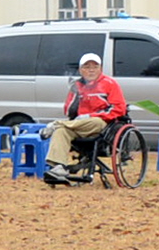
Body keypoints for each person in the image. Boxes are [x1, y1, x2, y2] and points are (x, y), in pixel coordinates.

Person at [43, 52, 127, 184]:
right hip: (79, 125)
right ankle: (59, 167)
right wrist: (74, 94)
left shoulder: (110, 84)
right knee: (62, 131)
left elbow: (119, 109)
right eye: (87, 67)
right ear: (81, 70)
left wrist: (91, 115)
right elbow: (68, 111)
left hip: (103, 124)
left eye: (95, 66)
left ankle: (55, 124)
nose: (91, 70)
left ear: (100, 69)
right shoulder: (78, 85)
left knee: (89, 122)